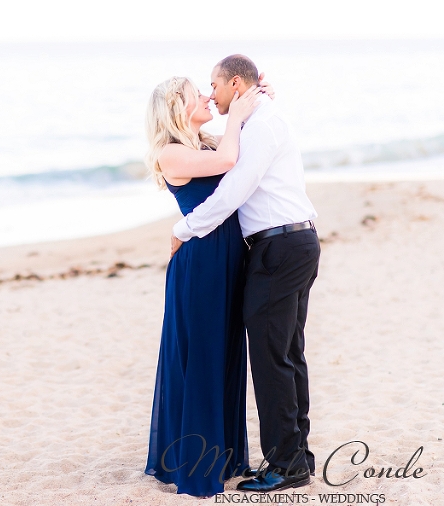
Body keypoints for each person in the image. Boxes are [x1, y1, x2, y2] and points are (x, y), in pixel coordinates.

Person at [171, 54, 320, 493]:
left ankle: (287, 465)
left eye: (214, 88)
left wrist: (185, 227)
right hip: (291, 243)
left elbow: (235, 190)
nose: (211, 97)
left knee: (274, 359)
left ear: (235, 84)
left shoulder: (260, 126)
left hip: (280, 246)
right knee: (287, 355)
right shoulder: (259, 119)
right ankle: (297, 457)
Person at [143, 74, 266, 497]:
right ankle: (196, 466)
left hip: (230, 258)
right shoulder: (171, 154)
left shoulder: (208, 142)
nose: (208, 97)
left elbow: (246, 145)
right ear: (178, 107)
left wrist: (253, 95)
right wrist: (236, 119)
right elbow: (230, 162)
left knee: (226, 354)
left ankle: (226, 455)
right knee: (202, 357)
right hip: (200, 266)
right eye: (198, 93)